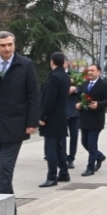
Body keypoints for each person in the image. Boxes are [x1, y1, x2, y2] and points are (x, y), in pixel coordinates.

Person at [0, 31, 39, 201]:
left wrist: (32, 121)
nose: (7, 48)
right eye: (3, 45)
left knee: (5, 166)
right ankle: (9, 206)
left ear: (14, 45)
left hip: (15, 124)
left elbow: (33, 95)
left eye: (10, 44)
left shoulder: (25, 65)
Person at [38, 52, 71, 187]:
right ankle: (64, 172)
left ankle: (52, 176)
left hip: (51, 117)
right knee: (59, 147)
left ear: (52, 62)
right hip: (61, 116)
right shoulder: (65, 76)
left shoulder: (54, 77)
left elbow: (49, 99)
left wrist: (42, 116)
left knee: (50, 149)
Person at [77, 64, 107, 177]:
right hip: (84, 118)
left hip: (96, 119)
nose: (90, 72)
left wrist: (98, 104)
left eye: (93, 70)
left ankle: (90, 167)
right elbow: (79, 98)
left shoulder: (104, 85)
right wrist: (78, 104)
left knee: (92, 144)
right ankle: (99, 156)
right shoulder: (84, 84)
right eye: (89, 70)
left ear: (99, 72)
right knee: (84, 142)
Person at [64, 59, 81, 169]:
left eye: (64, 62)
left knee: (74, 135)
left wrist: (75, 88)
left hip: (74, 111)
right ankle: (63, 156)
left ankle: (71, 158)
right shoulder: (55, 75)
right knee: (61, 136)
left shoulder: (75, 75)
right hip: (61, 110)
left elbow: (84, 86)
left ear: (67, 64)